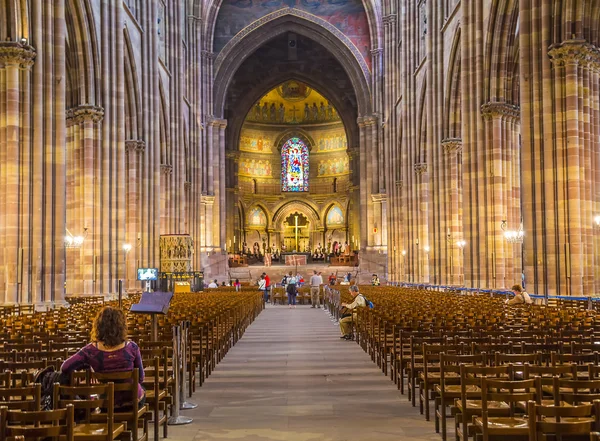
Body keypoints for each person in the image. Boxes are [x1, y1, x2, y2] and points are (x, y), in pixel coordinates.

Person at [36, 307, 146, 410]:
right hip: (133, 402)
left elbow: (65, 367)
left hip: (105, 403)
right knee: (142, 389)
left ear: (98, 327)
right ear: (122, 326)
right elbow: (140, 378)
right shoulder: (132, 347)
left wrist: (87, 365)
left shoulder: (90, 351)